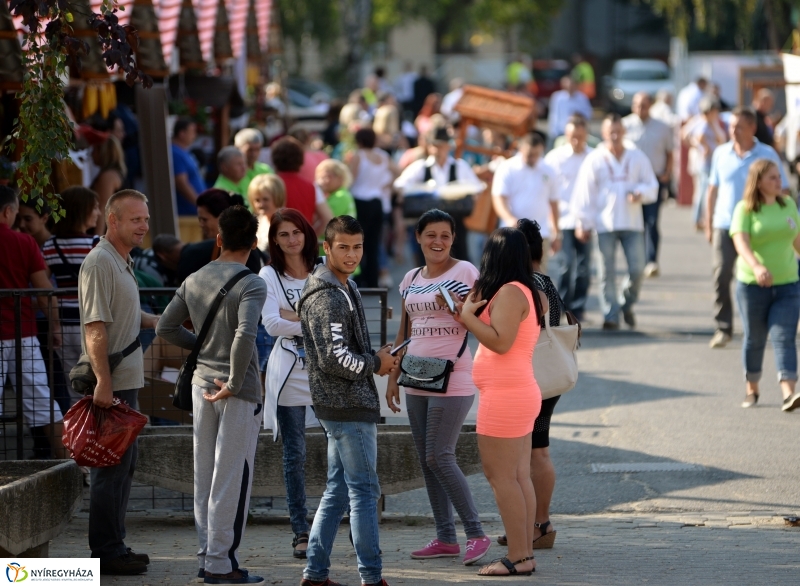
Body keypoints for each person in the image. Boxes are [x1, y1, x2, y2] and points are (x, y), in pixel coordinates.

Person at [157, 205, 267, 585]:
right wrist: (234, 382)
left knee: (204, 473)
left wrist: (201, 349)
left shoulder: (194, 278)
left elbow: (165, 327)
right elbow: (245, 334)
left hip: (201, 384)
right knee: (231, 477)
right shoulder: (252, 283)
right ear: (254, 243)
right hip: (237, 391)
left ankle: (207, 558)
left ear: (218, 239)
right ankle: (221, 564)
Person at [385, 209, 492, 566]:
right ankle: (446, 538)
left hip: (454, 374)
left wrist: (460, 310)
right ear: (418, 237)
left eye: (445, 235)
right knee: (426, 460)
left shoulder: (466, 272)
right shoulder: (411, 278)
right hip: (416, 374)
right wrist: (393, 377)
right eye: (431, 234)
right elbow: (405, 332)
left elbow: (482, 321)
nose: (438, 242)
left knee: (439, 455)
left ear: (453, 239)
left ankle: (476, 533)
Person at [297, 216, 398, 586]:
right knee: (364, 491)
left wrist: (376, 358)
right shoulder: (327, 296)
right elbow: (334, 357)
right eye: (343, 247)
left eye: (357, 247)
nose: (352, 255)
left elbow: (341, 351)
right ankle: (372, 577)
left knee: (338, 490)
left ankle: (315, 575)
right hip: (346, 406)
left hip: (343, 404)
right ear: (327, 248)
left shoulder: (344, 285)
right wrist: (375, 364)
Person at [453, 227, 548, 577]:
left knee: (502, 478)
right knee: (519, 477)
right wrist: (468, 313)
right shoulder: (525, 290)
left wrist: (467, 318)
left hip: (507, 397)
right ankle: (525, 554)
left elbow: (501, 342)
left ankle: (519, 557)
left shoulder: (510, 292)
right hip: (515, 393)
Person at [78, 189, 159, 574]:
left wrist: (157, 321)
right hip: (113, 385)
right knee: (110, 470)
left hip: (125, 381)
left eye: (145, 219)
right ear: (113, 220)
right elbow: (95, 327)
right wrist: (103, 383)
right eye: (136, 219)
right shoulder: (100, 262)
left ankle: (116, 545)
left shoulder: (121, 259)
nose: (144, 226)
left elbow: (125, 313)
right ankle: (106, 553)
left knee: (123, 467)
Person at [496, 218, 566, 551]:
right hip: (547, 378)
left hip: (531, 378)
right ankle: (537, 523)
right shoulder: (546, 282)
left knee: (534, 453)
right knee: (538, 450)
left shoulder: (527, 285)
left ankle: (537, 524)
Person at [259, 208, 320, 559]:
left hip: (326, 373)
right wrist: (314, 320)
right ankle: (301, 530)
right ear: (275, 240)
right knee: (294, 455)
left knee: (343, 447)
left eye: (296, 232)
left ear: (306, 233)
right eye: (284, 234)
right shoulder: (268, 274)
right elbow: (270, 324)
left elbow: (340, 316)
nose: (292, 239)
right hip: (288, 376)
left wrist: (292, 315)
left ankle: (340, 522)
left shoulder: (322, 269)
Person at [704, 107, 788, 349]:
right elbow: (712, 190)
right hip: (725, 224)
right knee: (721, 274)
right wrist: (708, 223)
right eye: (731, 126)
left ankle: (757, 327)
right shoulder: (721, 153)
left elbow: (782, 188)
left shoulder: (767, 154)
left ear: (752, 128)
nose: (733, 131)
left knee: (758, 276)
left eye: (739, 127)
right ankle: (723, 327)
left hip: (758, 226)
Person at [571, 113, 659, 330]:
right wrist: (582, 222)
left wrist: (640, 193)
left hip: (632, 223)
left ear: (624, 132)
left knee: (638, 269)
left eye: (618, 131)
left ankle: (625, 303)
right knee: (606, 272)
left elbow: (652, 186)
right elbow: (584, 193)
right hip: (604, 224)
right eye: (611, 132)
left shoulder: (637, 156)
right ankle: (610, 314)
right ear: (603, 133)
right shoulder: (595, 159)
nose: (615, 136)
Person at [0, 187, 65, 458]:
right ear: (7, 211)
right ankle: (72, 467)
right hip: (23, 333)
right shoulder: (25, 243)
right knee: (42, 401)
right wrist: (55, 326)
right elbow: (43, 291)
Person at [730, 160, 800, 412]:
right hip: (752, 285)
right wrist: (757, 267)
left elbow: (797, 240)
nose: (778, 181)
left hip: (788, 284)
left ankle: (789, 394)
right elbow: (741, 242)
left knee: (784, 337)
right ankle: (752, 388)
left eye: (779, 176)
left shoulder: (788, 204)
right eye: (772, 177)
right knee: (755, 338)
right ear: (758, 182)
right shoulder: (745, 209)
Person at [42, 186, 101, 403]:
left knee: (74, 387)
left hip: (64, 324)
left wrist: (54, 325)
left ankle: (79, 423)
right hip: (93, 323)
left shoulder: (50, 245)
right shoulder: (97, 245)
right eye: (95, 208)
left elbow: (43, 286)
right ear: (82, 211)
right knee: (101, 382)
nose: (98, 213)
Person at [394, 125, 482, 263]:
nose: (437, 149)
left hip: (455, 223)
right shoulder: (421, 167)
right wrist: (421, 190)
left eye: (440, 146)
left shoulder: (459, 166)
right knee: (427, 262)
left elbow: (477, 188)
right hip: (427, 222)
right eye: (434, 145)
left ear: (448, 146)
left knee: (459, 260)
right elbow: (399, 185)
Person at [544, 116, 594, 320]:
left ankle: (578, 309)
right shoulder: (555, 158)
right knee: (565, 265)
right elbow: (546, 189)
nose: (576, 141)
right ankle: (562, 307)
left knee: (584, 267)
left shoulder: (593, 157)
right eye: (572, 136)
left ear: (586, 135)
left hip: (587, 219)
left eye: (580, 137)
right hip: (563, 218)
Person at [491, 132, 560, 271]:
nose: (532, 158)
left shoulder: (549, 170)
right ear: (521, 148)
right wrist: (509, 219)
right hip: (512, 233)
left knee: (538, 276)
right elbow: (499, 198)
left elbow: (554, 203)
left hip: (540, 234)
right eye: (529, 154)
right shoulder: (507, 167)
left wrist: (556, 232)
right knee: (510, 273)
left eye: (536, 154)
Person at [623, 91, 674, 278]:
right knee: (633, 222)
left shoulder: (662, 127)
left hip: (654, 180)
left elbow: (670, 152)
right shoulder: (625, 125)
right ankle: (636, 260)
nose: (639, 109)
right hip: (631, 182)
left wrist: (667, 173)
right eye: (636, 105)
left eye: (643, 105)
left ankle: (651, 260)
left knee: (651, 221)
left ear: (650, 106)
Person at [347, 128, 397, 288]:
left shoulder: (359, 156)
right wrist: (386, 185)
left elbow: (351, 179)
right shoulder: (383, 156)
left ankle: (359, 278)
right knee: (374, 243)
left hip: (360, 201)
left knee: (357, 241)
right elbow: (397, 171)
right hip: (377, 201)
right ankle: (373, 279)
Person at [177, 190, 263, 283]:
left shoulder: (248, 254)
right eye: (200, 220)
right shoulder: (213, 249)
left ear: (222, 218)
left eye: (204, 220)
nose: (201, 224)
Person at [271, 137, 334, 231]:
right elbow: (328, 218)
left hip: (278, 237)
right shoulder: (312, 187)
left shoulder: (270, 185)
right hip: (303, 237)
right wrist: (310, 236)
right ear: (300, 159)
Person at [686, 97, 727, 230]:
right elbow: (697, 137)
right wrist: (702, 147)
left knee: (704, 190)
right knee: (704, 191)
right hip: (704, 162)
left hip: (711, 161)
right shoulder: (701, 123)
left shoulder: (712, 123)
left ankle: (702, 218)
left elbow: (721, 139)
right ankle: (700, 218)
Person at [91, 135, 126, 234]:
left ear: (103, 152)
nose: (91, 154)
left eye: (94, 150)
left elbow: (102, 208)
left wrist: (97, 238)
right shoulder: (114, 173)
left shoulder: (108, 176)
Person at [171, 117, 206, 217]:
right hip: (186, 212)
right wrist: (200, 205)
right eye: (192, 132)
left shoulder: (184, 151)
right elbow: (181, 183)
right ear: (182, 134)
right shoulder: (175, 152)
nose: (194, 136)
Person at [248, 173, 286, 253]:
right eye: (257, 200)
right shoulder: (257, 220)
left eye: (265, 199)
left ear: (277, 197)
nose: (261, 204)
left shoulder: (287, 221)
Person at [547, 76, 592, 140]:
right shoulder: (557, 97)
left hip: (577, 132)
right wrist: (553, 131)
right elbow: (554, 115)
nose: (570, 87)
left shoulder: (582, 98)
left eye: (572, 85)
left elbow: (587, 114)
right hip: (560, 132)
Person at [234, 128, 274, 197]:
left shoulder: (265, 170)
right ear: (237, 148)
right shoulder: (233, 172)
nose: (254, 154)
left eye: (257, 149)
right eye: (249, 150)